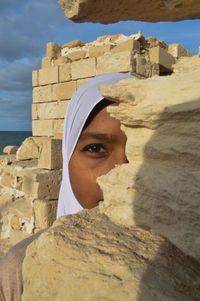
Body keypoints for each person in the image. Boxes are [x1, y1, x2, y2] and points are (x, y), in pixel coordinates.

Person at [0, 72, 136, 301]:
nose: (122, 175)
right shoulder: (18, 272)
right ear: (67, 158)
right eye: (95, 148)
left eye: (142, 150)